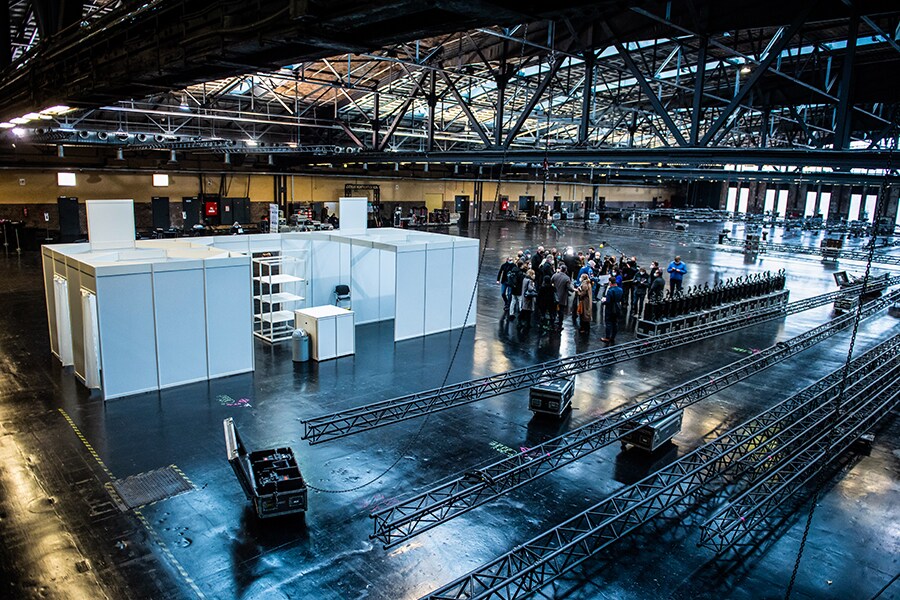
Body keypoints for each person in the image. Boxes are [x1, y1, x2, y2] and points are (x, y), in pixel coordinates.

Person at [551, 264, 574, 330]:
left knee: (553, 310)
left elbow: (551, 281)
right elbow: (569, 287)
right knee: (561, 311)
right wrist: (574, 290)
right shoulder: (567, 278)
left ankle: (552, 323)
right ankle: (560, 324)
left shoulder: (555, 275)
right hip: (562, 296)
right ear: (566, 270)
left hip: (554, 296)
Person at [600, 278, 623, 343]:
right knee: (615, 323)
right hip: (617, 307)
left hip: (610, 308)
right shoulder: (620, 289)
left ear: (610, 283)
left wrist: (603, 302)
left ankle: (607, 337)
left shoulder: (610, 291)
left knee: (608, 323)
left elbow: (608, 301)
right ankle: (613, 337)